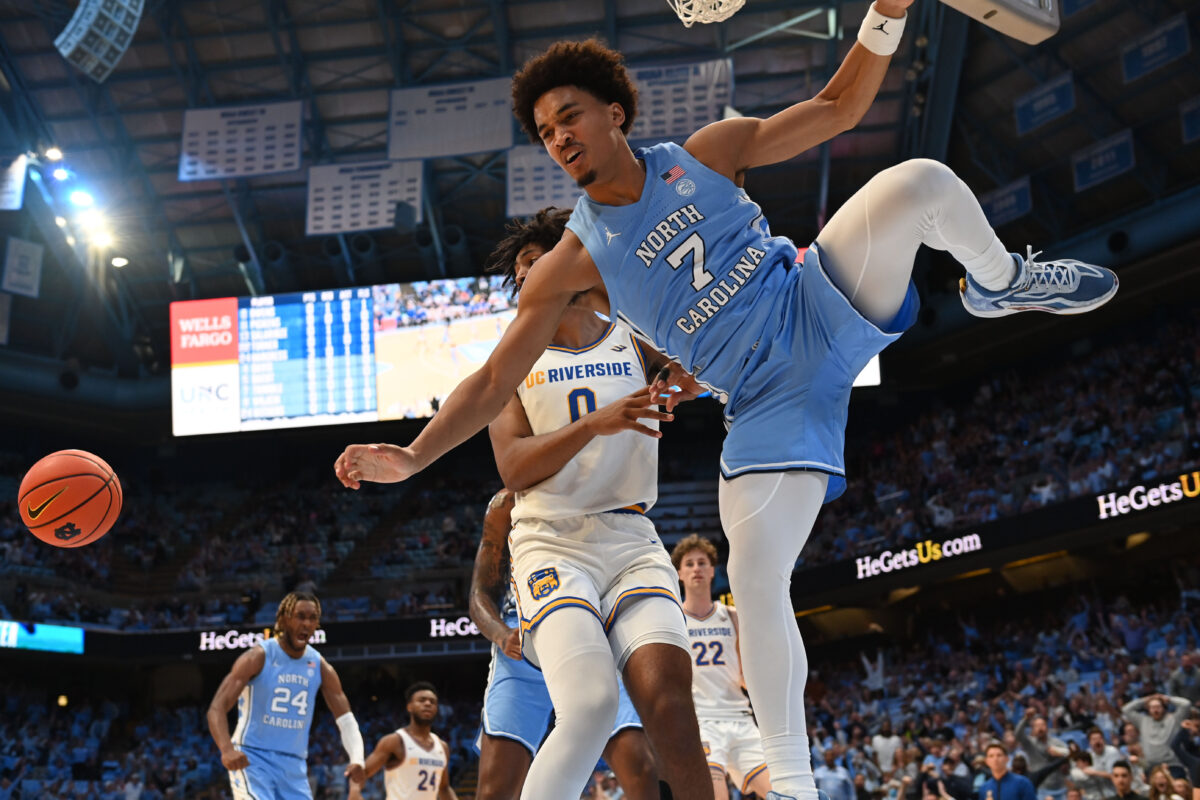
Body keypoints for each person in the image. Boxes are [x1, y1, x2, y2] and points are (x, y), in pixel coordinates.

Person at [333, 9, 1120, 799]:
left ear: (615, 111)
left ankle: (999, 281)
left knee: (919, 182)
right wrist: (412, 455)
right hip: (765, 395)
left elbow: (839, 109)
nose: (559, 137)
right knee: (758, 575)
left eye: (569, 115)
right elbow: (492, 382)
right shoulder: (571, 259)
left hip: (817, 301)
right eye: (544, 131)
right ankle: (794, 785)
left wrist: (883, 14)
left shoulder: (708, 153)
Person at [455, 207, 708, 799]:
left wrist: (678, 388)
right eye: (518, 269)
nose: (525, 274)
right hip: (552, 538)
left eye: (534, 260)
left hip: (631, 536)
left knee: (671, 707)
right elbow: (514, 466)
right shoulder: (510, 362)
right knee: (590, 706)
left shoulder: (629, 330)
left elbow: (692, 373)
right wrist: (597, 423)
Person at [469, 489, 661, 800]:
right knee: (495, 792)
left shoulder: (606, 481)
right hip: (522, 649)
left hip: (589, 640)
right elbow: (479, 596)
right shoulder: (505, 505)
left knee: (641, 771)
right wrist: (501, 634)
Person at [206, 591, 365, 799]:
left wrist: (357, 759)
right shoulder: (258, 656)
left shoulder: (320, 665)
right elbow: (217, 708)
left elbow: (346, 720)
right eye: (300, 616)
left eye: (312, 618)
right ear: (284, 619)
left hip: (294, 767)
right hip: (253, 759)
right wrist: (226, 749)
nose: (307, 623)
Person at [671, 533, 772, 799]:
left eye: (702, 563)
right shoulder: (673, 620)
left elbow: (746, 677)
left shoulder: (733, 617)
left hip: (740, 719)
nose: (696, 569)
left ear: (713, 570)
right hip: (701, 723)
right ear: (679, 574)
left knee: (781, 793)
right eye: (689, 564)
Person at [347, 682, 455, 800]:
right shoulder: (395, 741)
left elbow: (444, 788)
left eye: (432, 701)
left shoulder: (442, 747)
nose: (428, 703)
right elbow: (361, 773)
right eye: (422, 700)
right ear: (409, 707)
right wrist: (355, 792)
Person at [1123, 695, 1194, 769]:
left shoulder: (1175, 719)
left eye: (1158, 707)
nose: (1155, 710)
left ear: (1164, 707)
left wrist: (1168, 699)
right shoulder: (1142, 721)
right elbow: (1126, 709)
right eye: (1152, 707)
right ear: (1148, 709)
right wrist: (1146, 699)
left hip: (1173, 764)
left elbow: (1186, 704)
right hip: (1150, 766)